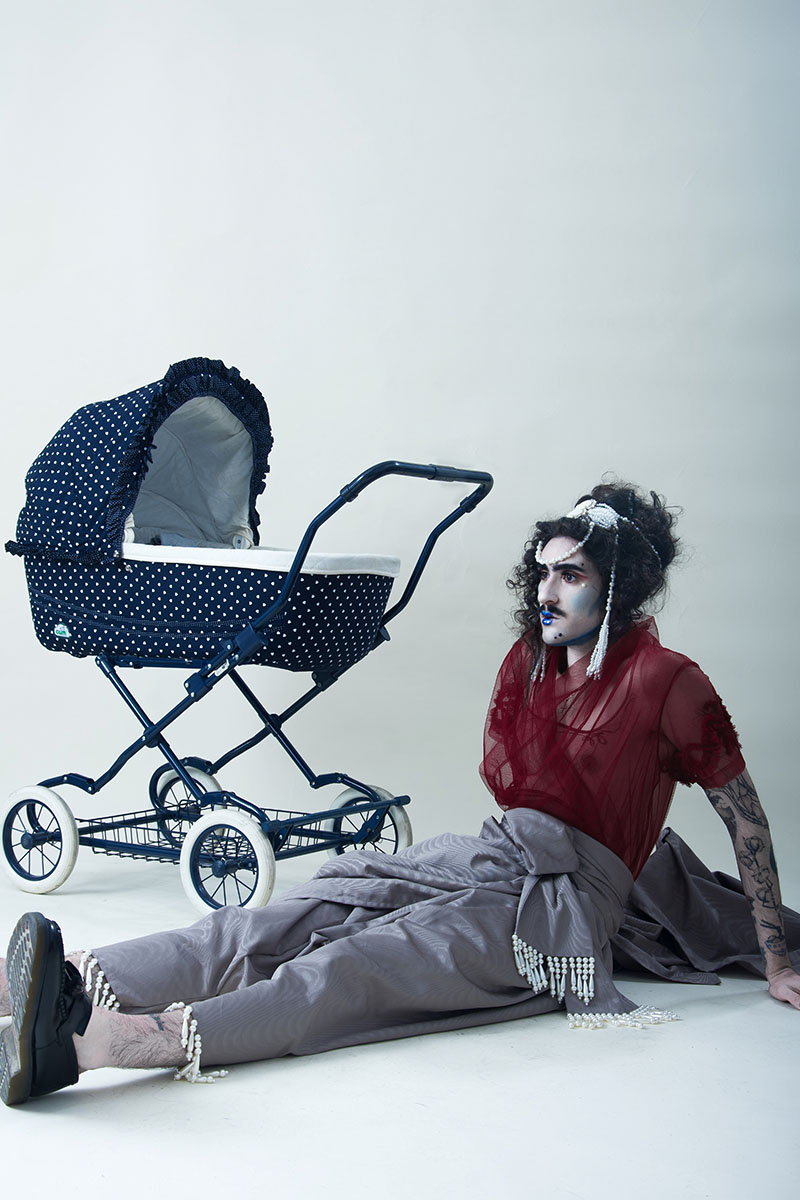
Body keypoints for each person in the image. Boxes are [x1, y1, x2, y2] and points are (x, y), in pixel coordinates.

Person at [2, 481, 799, 1106]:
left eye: (572, 574)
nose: (548, 591)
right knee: (284, 918)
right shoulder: (533, 661)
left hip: (557, 909)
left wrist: (774, 961)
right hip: (490, 856)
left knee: (353, 968)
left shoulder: (669, 682)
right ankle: (50, 982)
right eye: (544, 571)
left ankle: (98, 1045)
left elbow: (749, 823)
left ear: (618, 587)